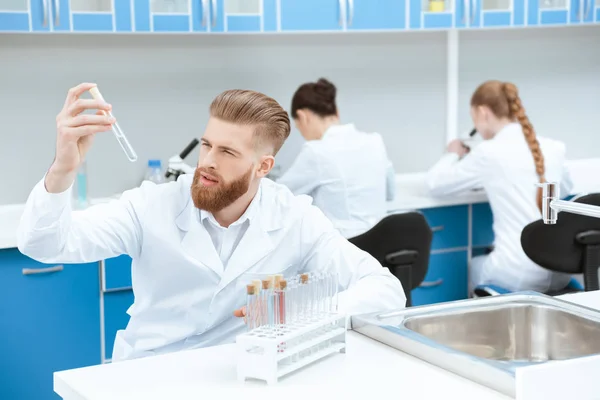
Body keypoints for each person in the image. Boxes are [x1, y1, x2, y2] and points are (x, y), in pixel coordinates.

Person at [17, 83, 406, 362]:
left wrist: (298, 312)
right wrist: (63, 169)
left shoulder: (294, 216)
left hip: (234, 375)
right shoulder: (151, 205)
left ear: (263, 167)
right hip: (147, 374)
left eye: (226, 151)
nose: (206, 162)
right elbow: (44, 244)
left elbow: (384, 289)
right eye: (206, 144)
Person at [426, 80, 573, 294]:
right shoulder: (554, 147)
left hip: (518, 275)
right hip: (560, 272)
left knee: (472, 265)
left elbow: (434, 184)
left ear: (483, 112)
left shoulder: (488, 152)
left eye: (474, 118)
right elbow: (565, 189)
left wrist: (453, 153)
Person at [277, 78, 396, 239]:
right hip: (380, 247)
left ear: (303, 117)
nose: (303, 135)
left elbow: (279, 197)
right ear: (337, 113)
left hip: (345, 249)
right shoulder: (375, 141)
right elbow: (390, 193)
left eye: (299, 127)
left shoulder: (316, 151)